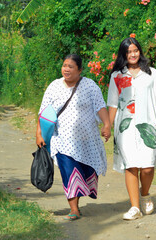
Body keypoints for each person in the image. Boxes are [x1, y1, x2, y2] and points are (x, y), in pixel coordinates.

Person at [36, 54, 111, 221]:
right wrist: (38, 133)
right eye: (64, 65)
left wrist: (106, 125)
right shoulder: (54, 86)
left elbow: (100, 106)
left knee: (85, 171)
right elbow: (44, 113)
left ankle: (77, 201)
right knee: (69, 172)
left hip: (87, 140)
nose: (66, 69)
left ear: (80, 70)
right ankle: (74, 208)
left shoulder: (90, 86)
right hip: (62, 140)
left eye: (70, 66)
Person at [107, 37, 156, 220]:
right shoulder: (117, 76)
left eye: (135, 50)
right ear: (123, 55)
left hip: (148, 126)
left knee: (147, 168)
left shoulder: (152, 74)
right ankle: (135, 207)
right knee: (131, 166)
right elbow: (112, 104)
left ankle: (145, 194)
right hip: (124, 129)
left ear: (140, 51)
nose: (132, 54)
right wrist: (108, 126)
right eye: (128, 52)